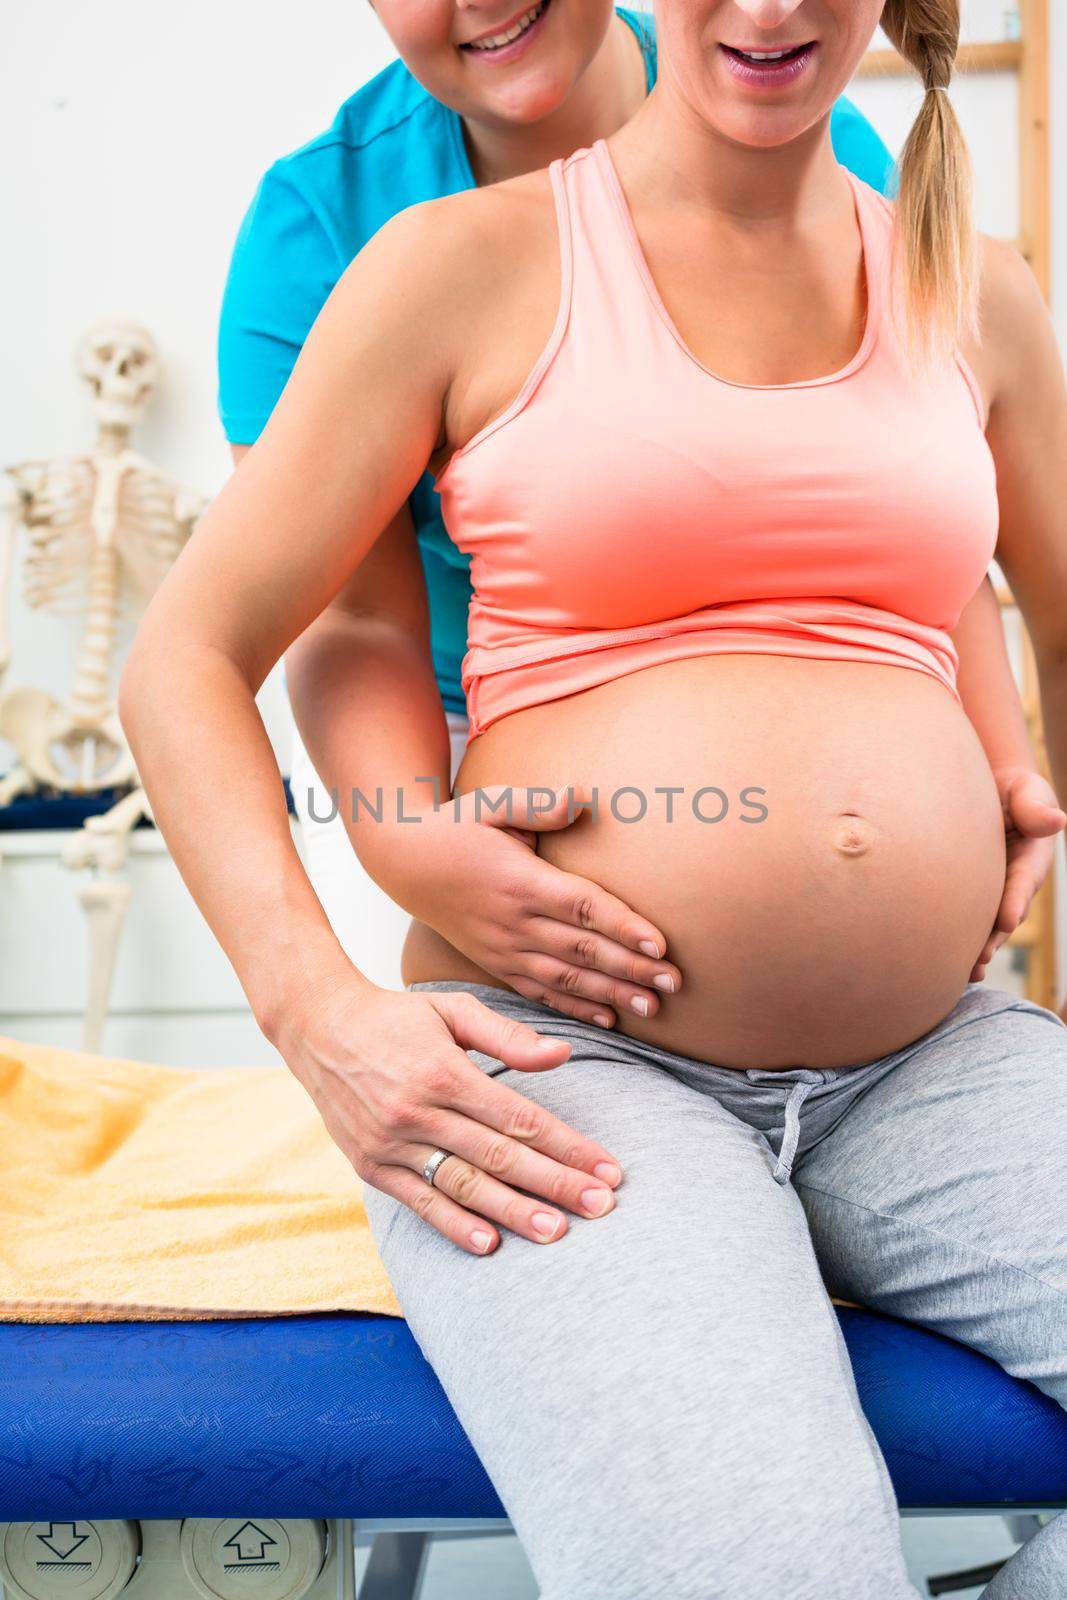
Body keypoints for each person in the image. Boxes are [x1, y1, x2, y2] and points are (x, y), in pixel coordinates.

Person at [121, 0, 1067, 1593]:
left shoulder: (971, 285)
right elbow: (194, 656)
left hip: (934, 1061)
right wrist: (319, 1007)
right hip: (565, 1072)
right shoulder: (436, 260)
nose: (769, 9)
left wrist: (1003, 775)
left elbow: (962, 586)